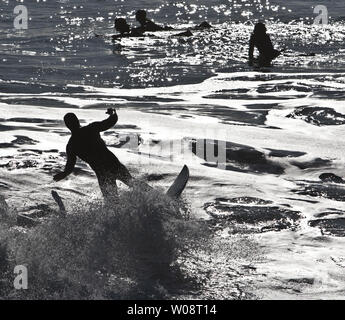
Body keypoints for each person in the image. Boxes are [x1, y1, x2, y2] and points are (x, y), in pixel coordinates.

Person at [53, 108, 146, 202]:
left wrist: (64, 174)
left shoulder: (72, 145)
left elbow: (70, 166)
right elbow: (110, 122)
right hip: (113, 165)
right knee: (132, 183)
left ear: (67, 126)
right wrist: (113, 113)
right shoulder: (91, 129)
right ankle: (156, 198)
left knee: (112, 202)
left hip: (102, 173)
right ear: (77, 121)